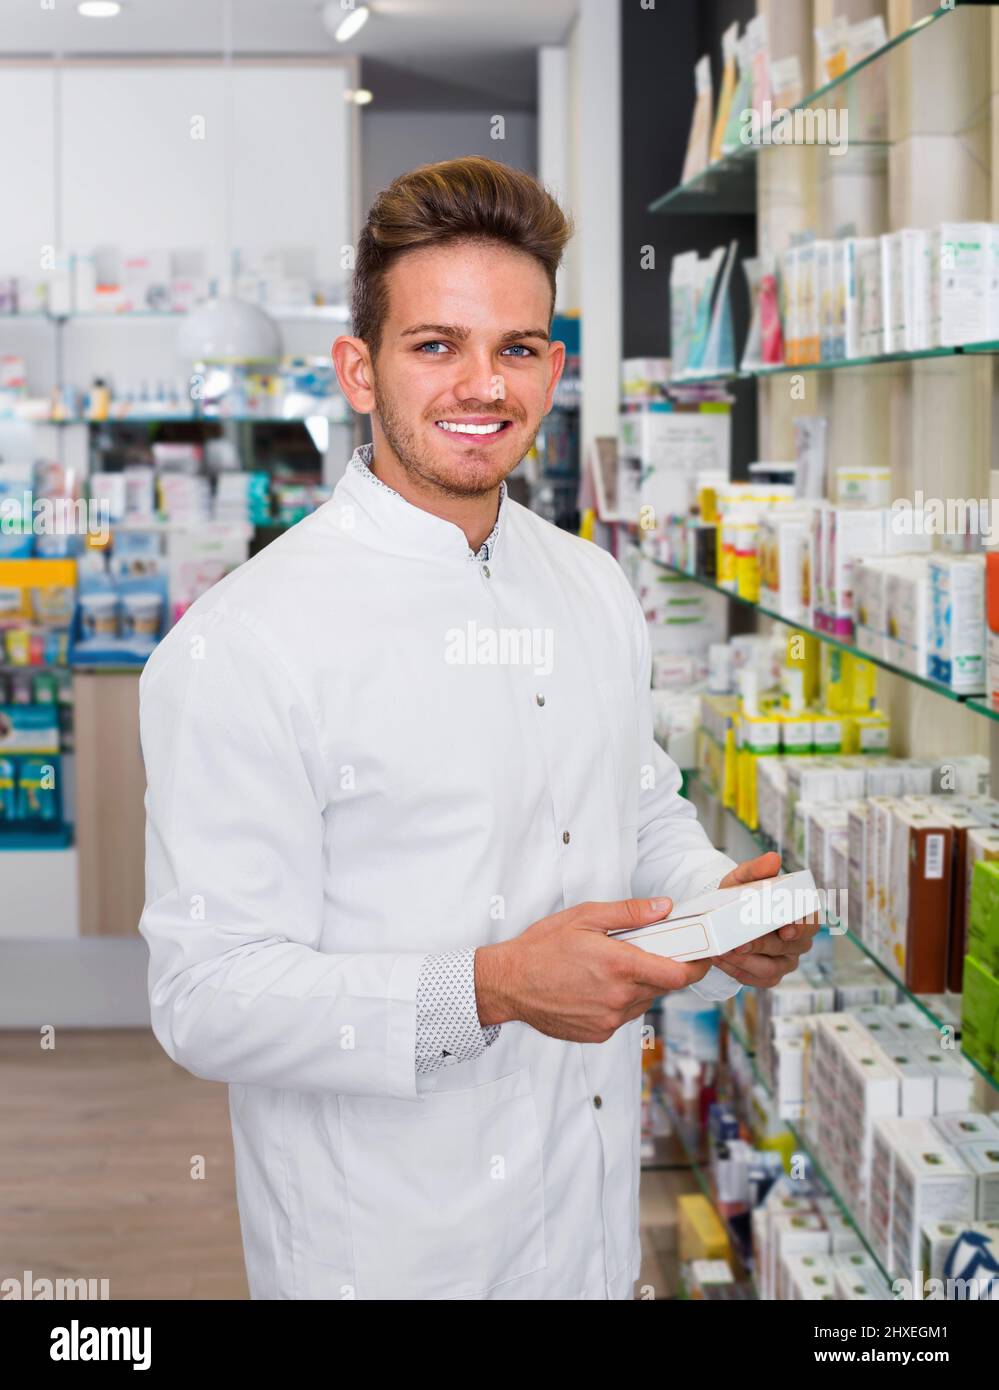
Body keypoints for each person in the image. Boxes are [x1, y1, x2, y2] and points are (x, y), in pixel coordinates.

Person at [138, 156, 818, 1301]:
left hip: (591, 1223)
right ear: (360, 369)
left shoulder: (592, 585)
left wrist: (717, 908)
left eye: (514, 349)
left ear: (553, 370)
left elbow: (634, 799)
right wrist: (492, 986)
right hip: (388, 1247)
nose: (480, 386)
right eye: (435, 344)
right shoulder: (246, 642)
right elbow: (207, 998)